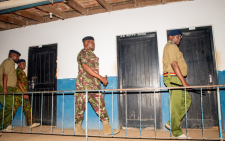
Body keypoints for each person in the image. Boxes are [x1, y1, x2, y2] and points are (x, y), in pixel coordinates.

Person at [75, 36, 120, 135]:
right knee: (80, 107)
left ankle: (107, 128)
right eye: (92, 42)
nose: (94, 44)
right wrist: (101, 78)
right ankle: (78, 128)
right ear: (87, 42)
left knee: (101, 105)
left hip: (94, 85)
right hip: (84, 85)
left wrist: (98, 80)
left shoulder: (92, 55)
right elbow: (86, 68)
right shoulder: (83, 53)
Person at [162, 29, 192, 138]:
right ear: (171, 36)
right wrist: (184, 82)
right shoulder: (170, 46)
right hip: (173, 78)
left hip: (177, 78)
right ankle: (176, 131)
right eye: (178, 36)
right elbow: (174, 64)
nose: (179, 39)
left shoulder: (173, 47)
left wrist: (182, 80)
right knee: (176, 104)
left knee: (187, 101)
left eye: (180, 37)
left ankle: (171, 123)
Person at [9, 59, 40, 129]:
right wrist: (24, 93)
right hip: (19, 94)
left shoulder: (21, 72)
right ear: (19, 64)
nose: (25, 65)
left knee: (27, 108)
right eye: (23, 64)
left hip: (20, 94)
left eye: (25, 64)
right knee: (13, 110)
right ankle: (7, 125)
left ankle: (32, 123)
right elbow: (19, 83)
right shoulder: (18, 72)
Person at [0, 50, 20, 130]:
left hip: (10, 88)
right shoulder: (8, 62)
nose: (18, 58)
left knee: (10, 107)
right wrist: (5, 88)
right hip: (6, 87)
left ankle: (4, 127)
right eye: (18, 57)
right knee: (8, 107)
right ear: (13, 55)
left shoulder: (11, 63)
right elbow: (5, 75)